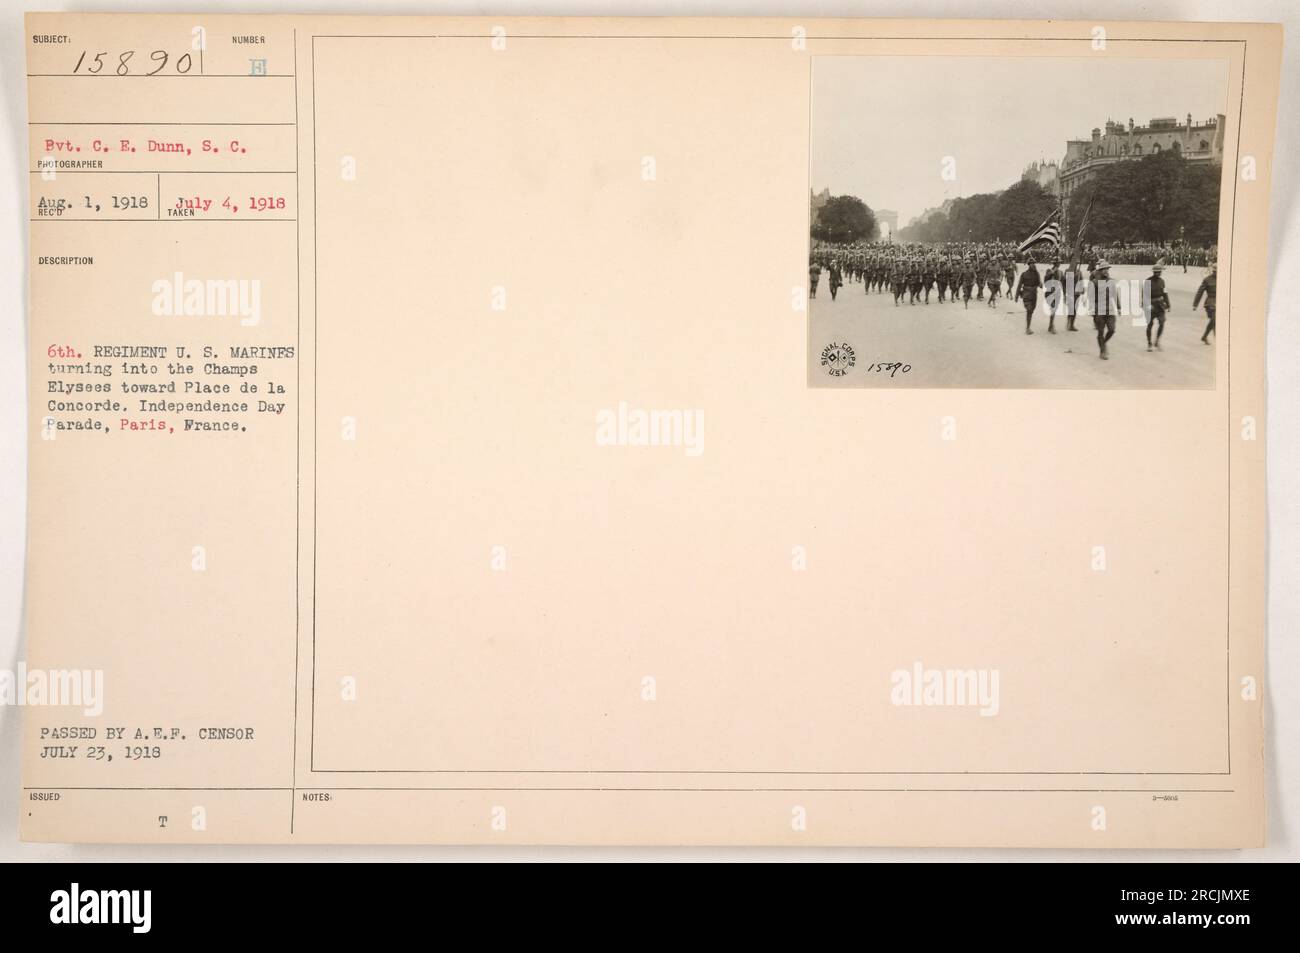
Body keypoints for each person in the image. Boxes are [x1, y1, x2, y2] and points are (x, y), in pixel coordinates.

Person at [1090, 259, 1119, 360]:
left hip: (1110, 309)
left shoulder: (1111, 281)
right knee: (1100, 332)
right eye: (1104, 269)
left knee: (1112, 329)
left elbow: (1115, 295)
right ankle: (1102, 351)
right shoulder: (1095, 282)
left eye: (1107, 269)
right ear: (1100, 270)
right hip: (1099, 309)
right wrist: (1092, 310)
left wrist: (1119, 307)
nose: (1106, 271)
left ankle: (1104, 343)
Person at [1144, 261, 1172, 351]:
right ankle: (1149, 343)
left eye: (1159, 272)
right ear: (1154, 272)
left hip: (1160, 306)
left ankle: (1157, 341)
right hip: (1151, 306)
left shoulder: (1162, 281)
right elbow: (1144, 296)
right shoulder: (1148, 281)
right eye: (1157, 272)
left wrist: (1168, 304)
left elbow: (1165, 293)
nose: (1158, 273)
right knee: (1150, 325)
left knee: (1162, 322)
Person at [1014, 254, 1042, 334]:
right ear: (1028, 265)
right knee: (1029, 310)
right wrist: (1016, 296)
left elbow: (1040, 284)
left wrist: (1042, 286)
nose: (1033, 265)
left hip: (1034, 295)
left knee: (1032, 310)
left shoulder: (1037, 274)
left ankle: (1028, 326)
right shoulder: (1024, 274)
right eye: (1031, 263)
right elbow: (1019, 285)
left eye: (1034, 263)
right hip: (1026, 294)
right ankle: (1028, 328)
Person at [1193, 263, 1217, 344]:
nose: (1216, 273)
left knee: (1214, 321)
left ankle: (1204, 337)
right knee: (1214, 320)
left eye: (1217, 271)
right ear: (1212, 271)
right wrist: (1195, 305)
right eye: (1214, 271)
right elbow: (1200, 292)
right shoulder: (1207, 280)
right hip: (1210, 303)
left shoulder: (1223, 279)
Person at [1043, 258, 1064, 333]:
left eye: (1059, 263)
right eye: (1058, 263)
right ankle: (1051, 326)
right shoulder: (1049, 271)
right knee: (1053, 308)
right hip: (1050, 292)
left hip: (1057, 292)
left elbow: (1062, 283)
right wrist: (1052, 272)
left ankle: (1050, 325)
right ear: (1055, 263)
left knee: (1054, 309)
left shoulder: (1061, 272)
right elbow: (1045, 280)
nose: (1059, 264)